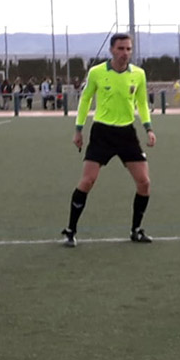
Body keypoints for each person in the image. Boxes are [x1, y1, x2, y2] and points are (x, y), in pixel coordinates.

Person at [63, 33, 156, 247]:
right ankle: (70, 230)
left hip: (127, 133)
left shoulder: (138, 74)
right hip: (102, 133)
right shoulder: (97, 72)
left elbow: (142, 103)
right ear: (112, 50)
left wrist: (148, 128)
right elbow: (85, 100)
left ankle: (136, 230)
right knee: (88, 181)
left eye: (128, 49)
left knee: (144, 182)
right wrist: (78, 130)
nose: (125, 53)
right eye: (121, 48)